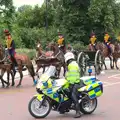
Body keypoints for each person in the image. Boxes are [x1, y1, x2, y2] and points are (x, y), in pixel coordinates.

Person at [64, 52, 83, 118]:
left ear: (67, 59)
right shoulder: (71, 64)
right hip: (73, 82)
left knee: (73, 95)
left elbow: (73, 77)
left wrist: (70, 83)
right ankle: (66, 107)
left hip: (76, 83)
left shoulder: (72, 65)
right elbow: (68, 75)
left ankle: (78, 112)